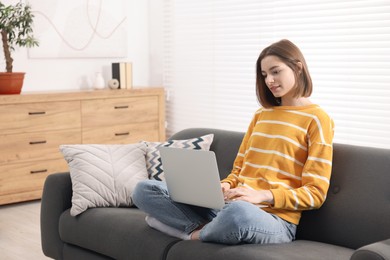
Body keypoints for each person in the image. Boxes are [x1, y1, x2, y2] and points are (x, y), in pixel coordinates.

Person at [132, 39, 334, 245]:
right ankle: (208, 228)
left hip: (274, 219)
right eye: (264, 75)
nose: (269, 80)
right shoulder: (261, 115)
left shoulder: (317, 119)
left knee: (240, 213)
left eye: (275, 71)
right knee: (144, 189)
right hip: (227, 206)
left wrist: (263, 196)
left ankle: (191, 234)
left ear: (298, 68)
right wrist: (224, 186)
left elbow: (315, 193)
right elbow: (239, 170)